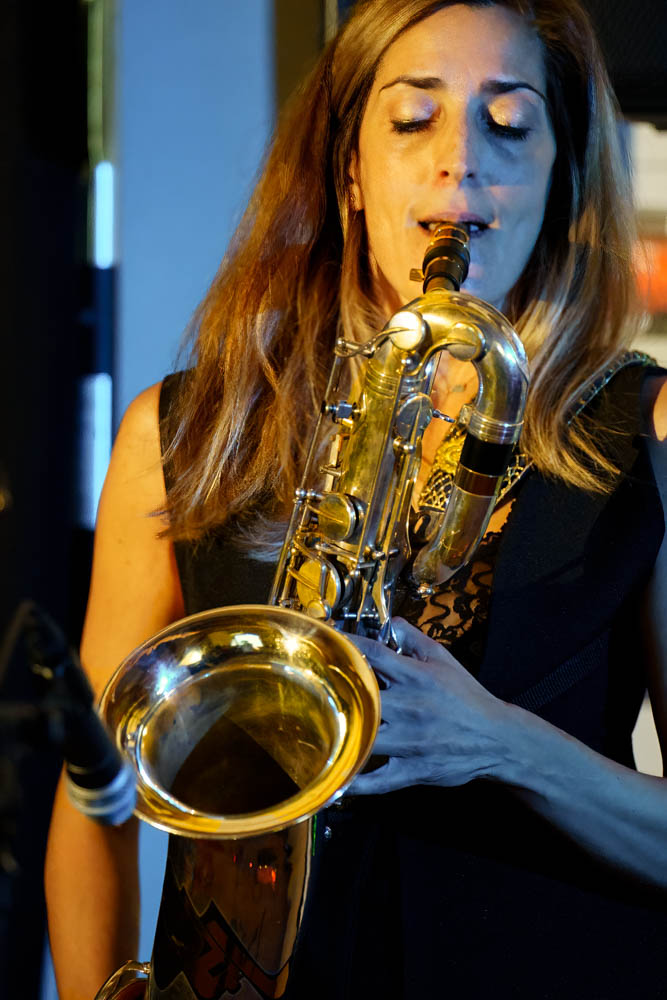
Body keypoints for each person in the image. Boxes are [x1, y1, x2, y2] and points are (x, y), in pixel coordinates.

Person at [45, 1, 667, 997]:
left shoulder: (650, 429)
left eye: (509, 125)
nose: (459, 162)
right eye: (413, 119)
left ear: (563, 178)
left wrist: (503, 745)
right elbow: (96, 791)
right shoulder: (181, 429)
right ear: (348, 171)